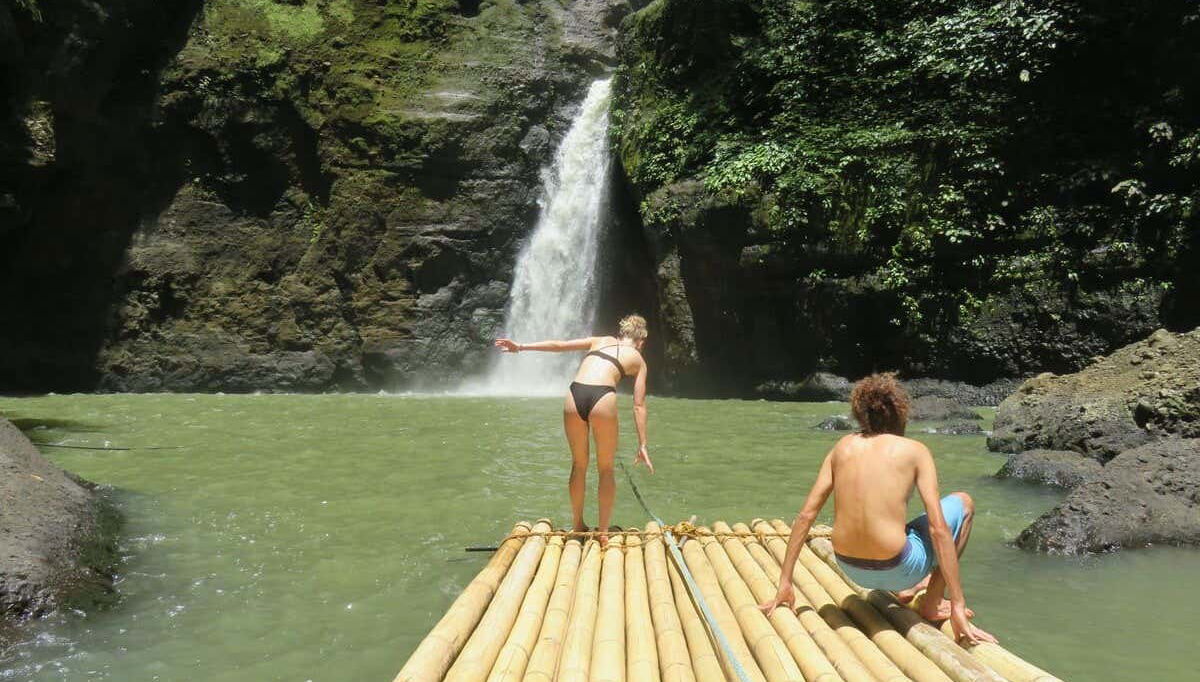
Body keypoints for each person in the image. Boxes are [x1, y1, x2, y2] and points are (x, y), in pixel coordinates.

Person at [758, 373, 997, 645]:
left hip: (850, 567)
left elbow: (806, 515)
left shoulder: (841, 447)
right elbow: (938, 529)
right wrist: (958, 603)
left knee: (902, 527)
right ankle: (932, 601)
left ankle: (912, 587)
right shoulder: (915, 450)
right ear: (900, 412)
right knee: (963, 503)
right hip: (899, 567)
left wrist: (785, 583)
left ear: (860, 414)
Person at [494, 314, 653, 546]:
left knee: (578, 464)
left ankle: (578, 525)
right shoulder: (638, 359)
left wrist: (520, 346)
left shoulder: (599, 340)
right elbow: (638, 405)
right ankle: (603, 532)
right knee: (606, 469)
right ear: (641, 341)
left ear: (622, 334)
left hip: (575, 393)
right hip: (602, 397)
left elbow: (559, 345)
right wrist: (643, 444)